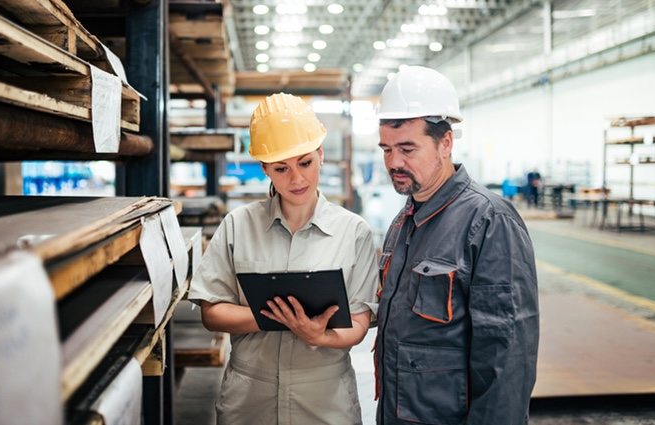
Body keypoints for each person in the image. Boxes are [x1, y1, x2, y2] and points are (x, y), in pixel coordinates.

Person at [188, 93, 378, 425]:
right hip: (250, 400)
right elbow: (212, 312)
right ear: (264, 169)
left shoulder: (355, 232)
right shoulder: (238, 225)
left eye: (305, 162)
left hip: (325, 399)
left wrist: (319, 336)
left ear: (321, 154)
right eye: (281, 168)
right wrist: (275, 317)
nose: (296, 179)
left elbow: (360, 321)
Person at [374, 66, 539, 424]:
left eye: (407, 148)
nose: (393, 162)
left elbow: (507, 361)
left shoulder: (489, 221)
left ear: (445, 143)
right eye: (386, 149)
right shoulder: (403, 222)